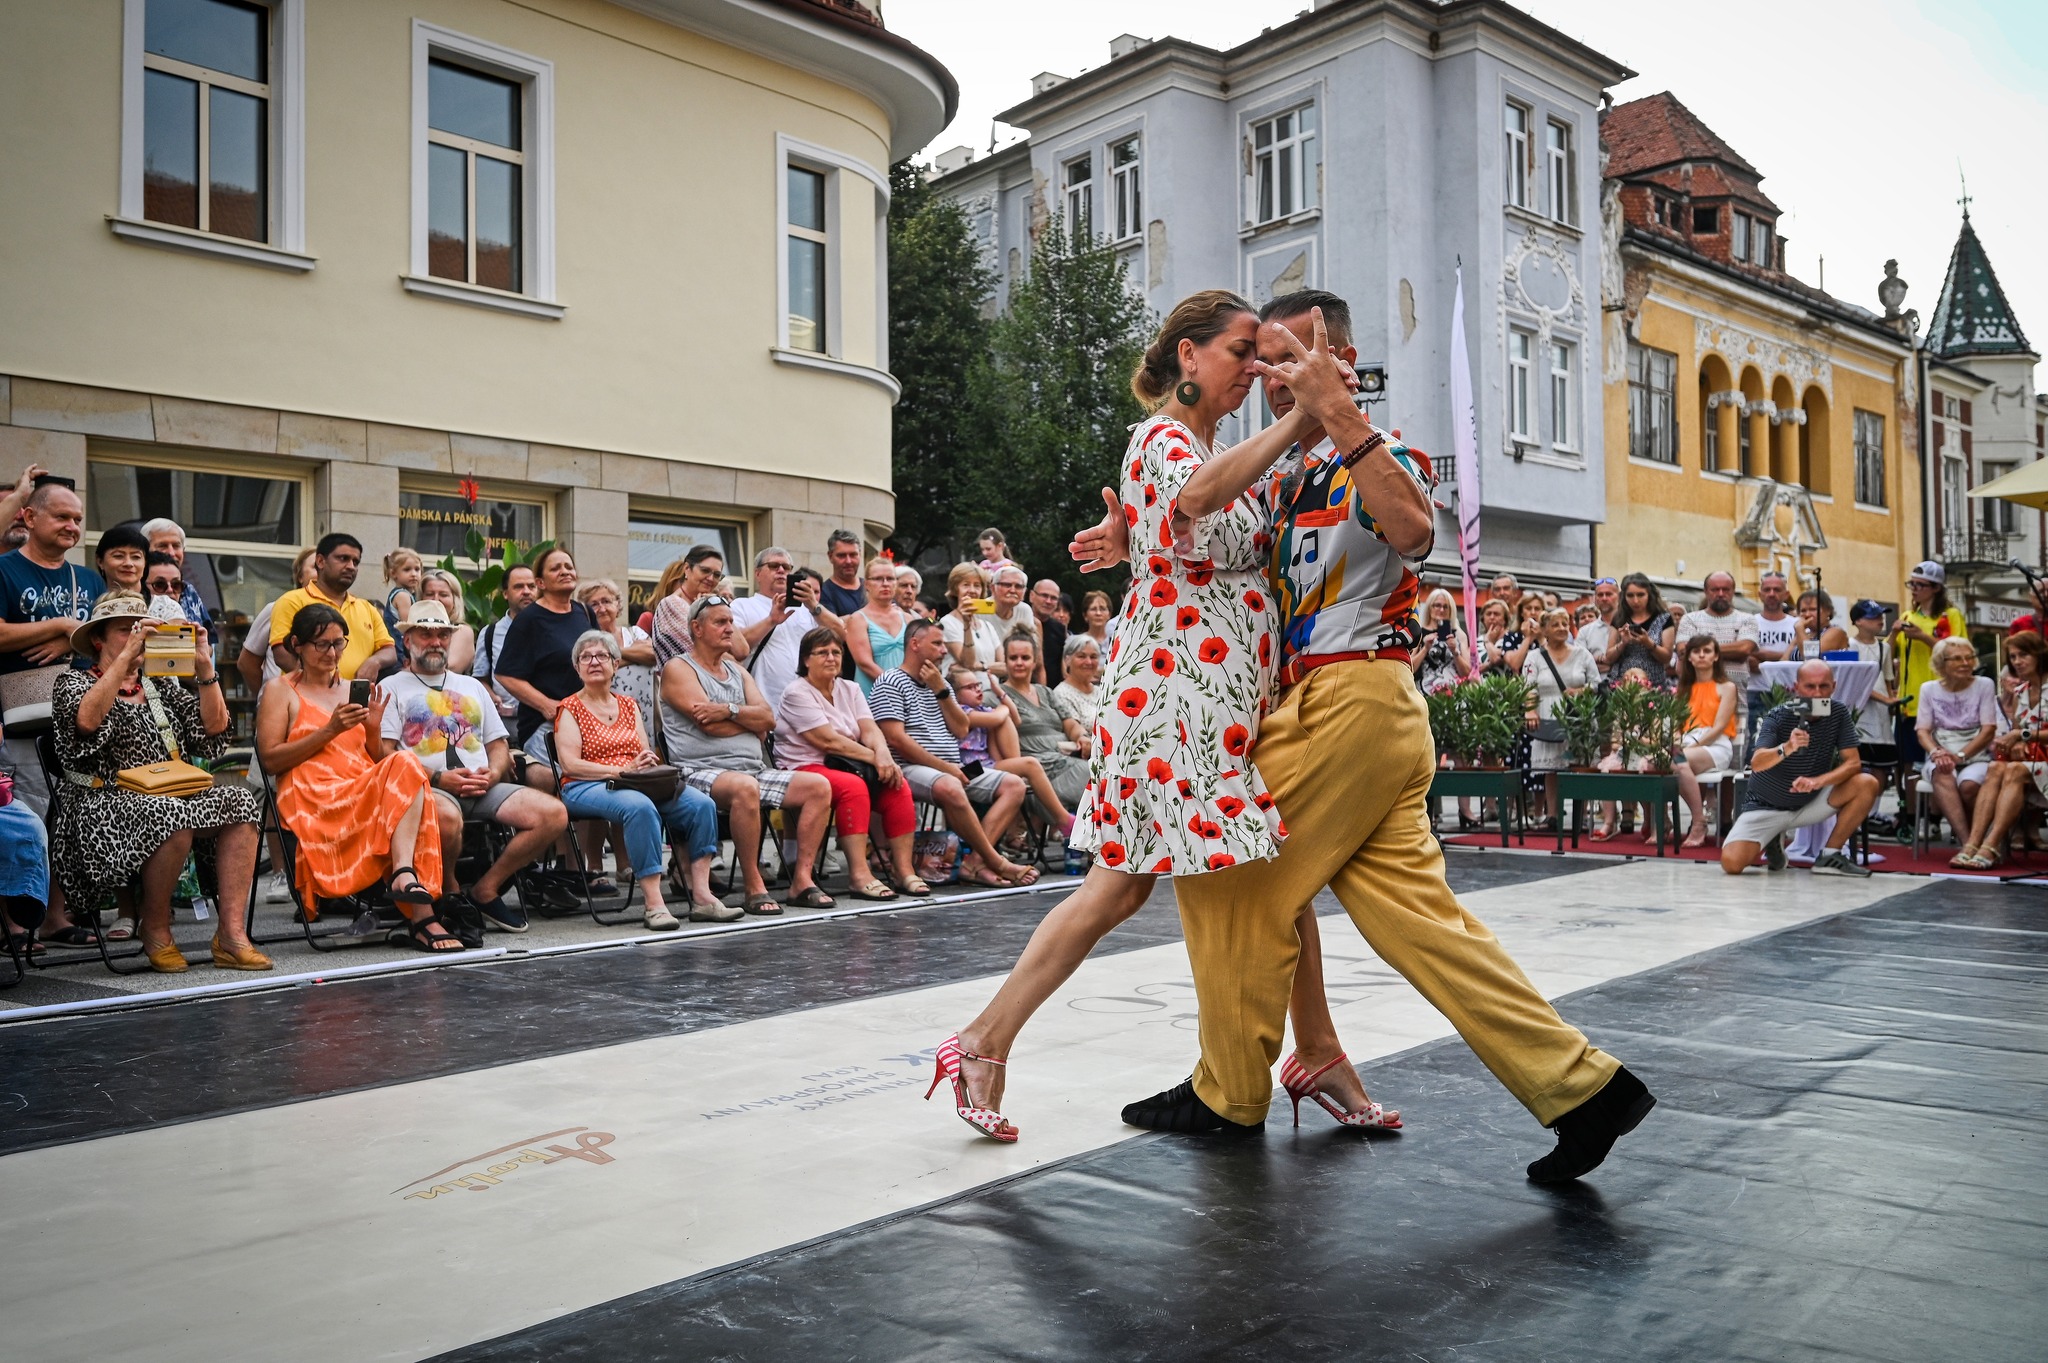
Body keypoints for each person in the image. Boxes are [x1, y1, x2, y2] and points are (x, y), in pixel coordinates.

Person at [1072, 290, 1642, 1182]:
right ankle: (1584, 1088)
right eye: (1263, 359)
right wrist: (1131, 538)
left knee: (1223, 872)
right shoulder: (1281, 478)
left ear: (1340, 356)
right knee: (1425, 925)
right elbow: (1210, 544)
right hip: (1352, 720)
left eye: (1293, 354)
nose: (1274, 375)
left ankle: (1229, 1091)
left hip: (1349, 700)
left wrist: (1335, 411)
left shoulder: (1378, 452)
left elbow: (1413, 530)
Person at [938, 291, 1403, 1147]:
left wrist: (1132, 537)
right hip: (1173, 698)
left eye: (1260, 355)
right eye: (1239, 351)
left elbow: (1206, 524)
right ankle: (982, 1038)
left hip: (1216, 697)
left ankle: (1317, 1049)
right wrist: (1300, 417)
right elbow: (1194, 497)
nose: (1253, 369)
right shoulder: (1161, 437)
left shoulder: (1213, 447)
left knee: (1254, 868)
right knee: (1136, 883)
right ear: (1188, 356)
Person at [52, 593, 269, 972]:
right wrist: (124, 660)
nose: (138, 635)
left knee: (239, 801)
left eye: (142, 628)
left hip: (168, 794)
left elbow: (213, 729)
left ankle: (231, 934)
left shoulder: (158, 686)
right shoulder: (72, 682)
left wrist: (205, 667)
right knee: (170, 814)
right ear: (98, 640)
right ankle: (155, 927)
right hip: (99, 801)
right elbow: (85, 723)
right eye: (127, 630)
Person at [256, 603, 456, 950]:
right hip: (313, 794)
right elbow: (271, 760)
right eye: (321, 644)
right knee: (407, 772)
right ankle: (422, 915)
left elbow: (374, 758)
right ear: (297, 645)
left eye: (339, 643)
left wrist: (373, 730)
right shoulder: (280, 689)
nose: (332, 653)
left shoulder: (353, 690)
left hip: (359, 787)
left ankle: (404, 876)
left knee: (404, 763)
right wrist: (330, 729)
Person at [378, 601, 570, 934]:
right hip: (427, 788)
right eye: (425, 634)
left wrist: (493, 773)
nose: (435, 642)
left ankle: (485, 889)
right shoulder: (391, 687)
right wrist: (440, 778)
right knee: (447, 819)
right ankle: (450, 891)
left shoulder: (471, 686)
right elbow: (386, 752)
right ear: (407, 640)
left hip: (483, 785)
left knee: (554, 814)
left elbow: (498, 745)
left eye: (442, 635)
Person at [660, 594, 837, 912]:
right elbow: (708, 725)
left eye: (731, 621)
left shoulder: (736, 670)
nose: (730, 628)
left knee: (818, 787)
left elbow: (768, 718)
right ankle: (753, 885)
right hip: (698, 771)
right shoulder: (678, 668)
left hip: (752, 769)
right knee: (745, 788)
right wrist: (748, 724)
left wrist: (728, 710)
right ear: (697, 628)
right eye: (720, 622)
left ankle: (801, 880)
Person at [554, 629, 727, 926]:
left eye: (602, 656)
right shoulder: (570, 707)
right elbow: (570, 765)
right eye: (586, 657)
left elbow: (643, 751)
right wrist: (620, 771)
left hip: (634, 782)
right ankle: (654, 903)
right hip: (586, 784)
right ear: (577, 667)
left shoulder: (628, 705)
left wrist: (642, 763)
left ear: (616, 664)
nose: (594, 661)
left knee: (702, 805)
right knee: (639, 807)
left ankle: (702, 895)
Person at [871, 619, 1037, 889]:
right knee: (950, 785)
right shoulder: (890, 681)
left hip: (953, 765)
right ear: (915, 644)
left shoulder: (940, 685)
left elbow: (961, 729)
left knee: (1014, 784)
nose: (944, 650)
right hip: (909, 767)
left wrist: (941, 691)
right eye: (937, 643)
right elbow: (895, 739)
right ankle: (996, 862)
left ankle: (974, 863)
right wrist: (945, 768)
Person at [774, 626, 917, 899]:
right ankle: (859, 875)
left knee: (897, 783)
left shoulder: (850, 688)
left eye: (836, 652)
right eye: (822, 652)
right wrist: (875, 758)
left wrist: (884, 756)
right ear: (806, 660)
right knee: (853, 787)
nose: (831, 658)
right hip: (804, 765)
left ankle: (904, 871)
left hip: (848, 763)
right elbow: (828, 741)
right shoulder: (796, 692)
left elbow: (870, 729)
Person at [1720, 660, 1880, 878]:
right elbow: (1757, 762)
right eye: (1810, 686)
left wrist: (1817, 782)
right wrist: (1787, 747)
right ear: (1797, 688)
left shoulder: (1838, 712)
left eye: (1823, 686)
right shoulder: (1778, 715)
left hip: (1809, 802)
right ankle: (1773, 838)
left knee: (1866, 783)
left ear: (1833, 687)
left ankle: (1830, 856)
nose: (1817, 693)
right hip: (1766, 806)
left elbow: (1853, 763)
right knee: (1732, 864)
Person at [1950, 630, 2048, 869]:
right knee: (1995, 767)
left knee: (2014, 770)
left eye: (2023, 655)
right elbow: (2017, 731)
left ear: (2039, 655)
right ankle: (1973, 844)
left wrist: (2021, 736)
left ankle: (1991, 846)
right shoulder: (2020, 692)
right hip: (2033, 762)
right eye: (2013, 657)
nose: (2017, 661)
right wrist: (2018, 741)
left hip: (2039, 763)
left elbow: (2020, 732)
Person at [494, 546, 595, 749]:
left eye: (568, 567)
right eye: (556, 568)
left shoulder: (585, 612)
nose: (564, 571)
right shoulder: (528, 619)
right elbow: (505, 674)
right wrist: (546, 705)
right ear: (540, 582)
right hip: (547, 727)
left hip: (588, 721)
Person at [267, 533, 395, 683]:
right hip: (306, 695)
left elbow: (389, 650)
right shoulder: (291, 601)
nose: (351, 567)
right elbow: (281, 653)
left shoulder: (367, 608)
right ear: (321, 561)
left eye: (355, 562)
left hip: (357, 696)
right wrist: (317, 684)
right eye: (343, 558)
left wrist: (375, 661)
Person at [731, 547, 842, 710]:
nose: (781, 571)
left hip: (808, 704)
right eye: (774, 566)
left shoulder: (806, 609)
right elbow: (735, 646)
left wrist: (813, 605)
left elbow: (841, 633)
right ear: (757, 573)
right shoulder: (741, 605)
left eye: (787, 567)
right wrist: (770, 621)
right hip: (765, 703)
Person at [991, 631, 1084, 827]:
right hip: (1037, 766)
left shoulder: (1045, 692)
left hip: (1067, 755)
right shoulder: (995, 696)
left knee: (1108, 775)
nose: (1019, 663)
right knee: (1099, 783)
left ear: (1034, 662)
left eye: (1025, 658)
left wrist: (1081, 736)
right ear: (1005, 661)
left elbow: (1069, 722)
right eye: (1013, 658)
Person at [1916, 635, 1998, 848]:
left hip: (1976, 753)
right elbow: (1922, 731)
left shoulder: (1984, 685)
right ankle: (1967, 843)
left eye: (1969, 657)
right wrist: (1936, 752)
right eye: (1957, 658)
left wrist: (1961, 755)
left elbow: (1988, 729)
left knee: (1969, 786)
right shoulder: (1928, 689)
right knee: (1942, 773)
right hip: (1941, 751)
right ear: (1941, 663)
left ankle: (1976, 838)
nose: (1965, 663)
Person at [1522, 607, 1599, 827]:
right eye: (1555, 624)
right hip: (1547, 714)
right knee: (1552, 769)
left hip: (1578, 716)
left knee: (1580, 766)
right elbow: (1528, 686)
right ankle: (1553, 815)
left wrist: (1581, 691)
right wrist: (1530, 710)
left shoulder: (1582, 654)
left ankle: (1581, 816)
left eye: (1565, 624)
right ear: (1544, 630)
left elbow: (1596, 683)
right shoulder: (1534, 656)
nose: (1562, 628)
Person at [1893, 562, 1967, 772]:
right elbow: (1890, 656)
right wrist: (1893, 633)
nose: (1914, 589)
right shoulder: (1908, 617)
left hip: (1942, 701)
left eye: (1920, 585)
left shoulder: (1950, 615)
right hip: (1910, 701)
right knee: (1908, 763)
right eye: (1912, 584)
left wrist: (1923, 637)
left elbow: (1956, 653)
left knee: (1941, 762)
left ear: (1936, 588)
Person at [1671, 636, 1739, 849]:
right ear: (1689, 658)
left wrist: (1690, 746)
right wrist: (1678, 743)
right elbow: (1676, 727)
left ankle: (1698, 822)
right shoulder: (1683, 689)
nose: (1701, 655)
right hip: (1686, 745)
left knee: (1677, 759)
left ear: (1715, 656)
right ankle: (1667, 823)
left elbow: (1719, 727)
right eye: (1696, 651)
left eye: (1707, 651)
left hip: (1715, 745)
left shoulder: (1727, 687)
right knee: (1658, 762)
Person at [650, 545, 746, 668]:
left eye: (717, 575)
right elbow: (706, 654)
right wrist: (736, 664)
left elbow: (742, 651)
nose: (710, 578)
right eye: (705, 570)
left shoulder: (710, 604)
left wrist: (719, 606)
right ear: (687, 569)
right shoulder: (671, 604)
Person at [473, 562, 538, 723]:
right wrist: (492, 698)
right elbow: (480, 679)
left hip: (542, 720)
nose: (526, 591)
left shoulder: (551, 630)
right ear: (505, 594)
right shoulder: (490, 633)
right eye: (518, 587)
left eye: (531, 586)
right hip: (505, 721)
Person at [1745, 572, 1799, 747]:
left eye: (1777, 589)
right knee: (1756, 744)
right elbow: (1748, 658)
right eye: (1767, 589)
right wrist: (1782, 658)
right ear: (1760, 594)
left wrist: (1763, 656)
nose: (1771, 594)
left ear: (1786, 594)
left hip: (1790, 692)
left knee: (1791, 744)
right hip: (1756, 691)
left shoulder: (1797, 624)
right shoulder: (1749, 623)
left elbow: (1799, 657)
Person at [140, 517, 216, 642]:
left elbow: (210, 642)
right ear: (143, 551)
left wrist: (199, 647)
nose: (171, 552)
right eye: (162, 545)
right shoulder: (134, 591)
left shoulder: (189, 590)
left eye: (176, 546)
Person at [1845, 598, 1899, 767]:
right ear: (1858, 621)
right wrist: (1886, 699)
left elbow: (1888, 679)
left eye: (1880, 616)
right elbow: (1855, 683)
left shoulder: (1884, 648)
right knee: (1859, 764)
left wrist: (1890, 701)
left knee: (1882, 766)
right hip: (1860, 712)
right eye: (1873, 617)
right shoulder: (1850, 646)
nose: (1880, 620)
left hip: (1881, 715)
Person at [843, 556, 908, 695]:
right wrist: (897, 687)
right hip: (874, 694)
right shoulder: (858, 619)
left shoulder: (907, 618)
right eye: (878, 579)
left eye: (890, 578)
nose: (885, 584)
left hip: (906, 695)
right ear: (867, 584)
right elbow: (865, 663)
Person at [1603, 572, 1676, 688]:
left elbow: (1667, 657)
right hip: (1622, 685)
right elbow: (1608, 657)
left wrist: (1648, 643)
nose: (1635, 601)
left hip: (1653, 685)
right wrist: (1623, 643)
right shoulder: (1619, 618)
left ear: (1649, 595)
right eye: (1630, 596)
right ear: (1624, 596)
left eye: (1640, 595)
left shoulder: (1663, 619)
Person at [941, 562, 1003, 669]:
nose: (972, 590)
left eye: (977, 585)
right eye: (966, 585)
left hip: (991, 681)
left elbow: (1005, 666)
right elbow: (968, 663)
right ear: (955, 589)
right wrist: (967, 625)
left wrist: (981, 666)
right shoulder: (947, 623)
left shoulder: (987, 626)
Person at [416, 568, 476, 675]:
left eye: (443, 595)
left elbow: (449, 666)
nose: (436, 600)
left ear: (455, 599)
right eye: (429, 594)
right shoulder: (413, 628)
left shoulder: (462, 630)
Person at [1413, 587, 1472, 691]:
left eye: (1446, 607)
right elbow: (1409, 668)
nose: (1441, 610)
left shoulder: (1459, 635)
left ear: (1451, 610)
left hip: (1453, 693)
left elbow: (1467, 673)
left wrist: (1455, 652)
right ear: (1429, 607)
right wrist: (1425, 649)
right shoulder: (1419, 633)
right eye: (1437, 605)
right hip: (1424, 691)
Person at [1054, 633, 1102, 732]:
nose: (1088, 662)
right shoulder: (1061, 694)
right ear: (1067, 660)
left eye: (1093, 657)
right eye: (1081, 656)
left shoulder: (1101, 691)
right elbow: (1073, 730)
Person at [821, 529, 869, 619]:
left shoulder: (871, 587)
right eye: (842, 555)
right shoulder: (824, 592)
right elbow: (831, 625)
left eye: (853, 555)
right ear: (830, 557)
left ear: (860, 555)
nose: (848, 561)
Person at [380, 548, 423, 646]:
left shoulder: (407, 594)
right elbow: (409, 625)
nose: (413, 574)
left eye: (417, 569)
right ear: (393, 573)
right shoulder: (402, 596)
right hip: (399, 647)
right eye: (407, 570)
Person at [1576, 576, 1620, 672]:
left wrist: (1595, 661)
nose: (1604, 598)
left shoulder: (1628, 626)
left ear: (1619, 596)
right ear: (1595, 599)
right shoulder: (1585, 632)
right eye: (1600, 595)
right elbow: (1579, 663)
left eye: (1609, 594)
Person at [1791, 588, 1850, 658]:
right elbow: (1784, 659)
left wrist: (1799, 629)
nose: (1807, 614)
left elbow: (1811, 656)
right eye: (1803, 611)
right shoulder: (1804, 634)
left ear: (1828, 611)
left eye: (1813, 609)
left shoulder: (1836, 632)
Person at [93, 524, 149, 597]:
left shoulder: (160, 603)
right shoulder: (88, 601)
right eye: (118, 556)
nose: (128, 563)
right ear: (100, 561)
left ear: (145, 563)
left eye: (136, 557)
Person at [1029, 579, 1068, 684]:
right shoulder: (1020, 621)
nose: (1048, 601)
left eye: (1053, 598)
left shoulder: (1060, 629)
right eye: (1044, 596)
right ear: (1032, 596)